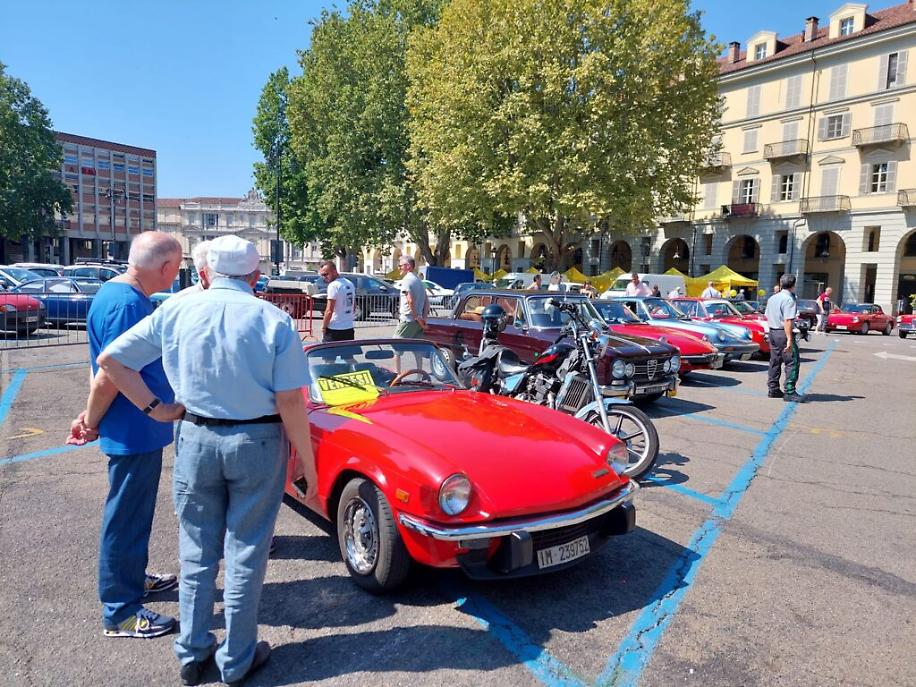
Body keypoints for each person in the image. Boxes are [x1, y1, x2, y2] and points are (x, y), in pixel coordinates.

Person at [89, 235, 315, 686]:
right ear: (255, 277)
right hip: (258, 439)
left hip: (195, 435)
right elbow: (291, 400)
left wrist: (156, 407)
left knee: (196, 549)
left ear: (207, 272)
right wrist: (305, 460)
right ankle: (237, 658)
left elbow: (113, 361)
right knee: (246, 550)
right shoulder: (274, 320)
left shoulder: (176, 308)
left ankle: (192, 650)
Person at [66, 231, 185, 639]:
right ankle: (120, 610)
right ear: (165, 267)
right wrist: (93, 420)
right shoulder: (127, 304)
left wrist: (93, 413)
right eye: (178, 266)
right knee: (127, 516)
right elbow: (109, 374)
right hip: (134, 428)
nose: (178, 274)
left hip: (133, 427)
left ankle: (133, 580)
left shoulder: (116, 295)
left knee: (133, 512)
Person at [764, 273, 803, 403]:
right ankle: (790, 391)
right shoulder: (789, 299)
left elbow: (767, 315)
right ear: (793, 285)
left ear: (781, 284)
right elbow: (787, 321)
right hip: (783, 332)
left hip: (773, 332)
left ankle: (773, 388)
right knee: (792, 362)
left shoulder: (772, 298)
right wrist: (790, 339)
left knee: (775, 361)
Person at [318, 260, 355, 341]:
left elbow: (329, 310)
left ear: (334, 271)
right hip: (348, 327)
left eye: (326, 274)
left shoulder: (333, 285)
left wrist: (324, 327)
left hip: (334, 328)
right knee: (347, 353)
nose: (324, 277)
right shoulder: (349, 283)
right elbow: (353, 306)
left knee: (327, 353)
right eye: (322, 275)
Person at [395, 255, 428, 338]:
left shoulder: (407, 280)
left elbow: (410, 300)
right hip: (418, 323)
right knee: (417, 348)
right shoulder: (419, 281)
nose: (399, 268)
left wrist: (416, 317)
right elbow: (426, 303)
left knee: (396, 347)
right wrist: (423, 320)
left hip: (408, 320)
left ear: (408, 266)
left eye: (400, 266)